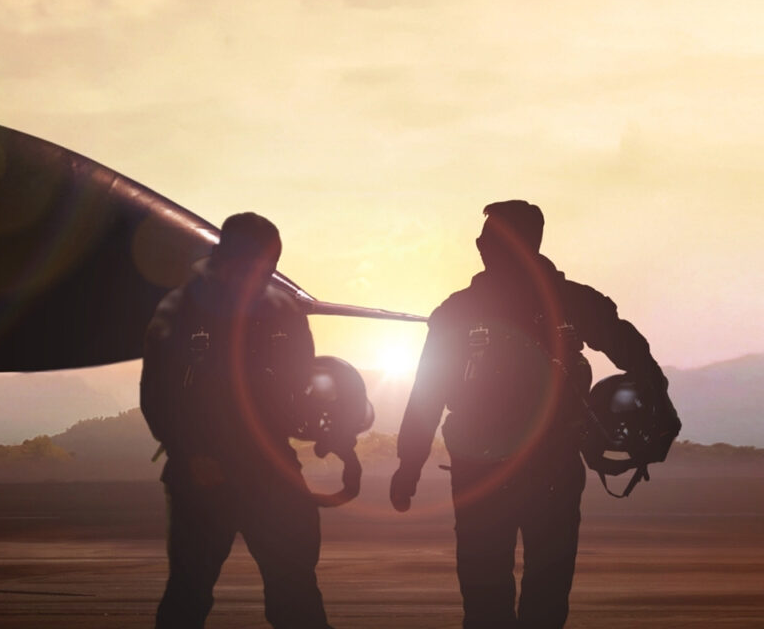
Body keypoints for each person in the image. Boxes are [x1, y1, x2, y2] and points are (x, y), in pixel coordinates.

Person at [390, 200, 667, 629]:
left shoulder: (466, 310)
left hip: (508, 470)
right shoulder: (563, 302)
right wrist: (409, 463)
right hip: (518, 469)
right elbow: (632, 351)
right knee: (524, 595)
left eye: (488, 238)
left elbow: (428, 392)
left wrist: (409, 465)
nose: (479, 245)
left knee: (511, 596)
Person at [141, 212, 332, 629]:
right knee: (189, 594)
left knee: (296, 590)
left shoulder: (284, 312)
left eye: (270, 265)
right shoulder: (180, 310)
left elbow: (299, 384)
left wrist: (324, 421)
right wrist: (192, 454)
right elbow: (157, 395)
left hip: (270, 469)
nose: (262, 275)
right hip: (202, 478)